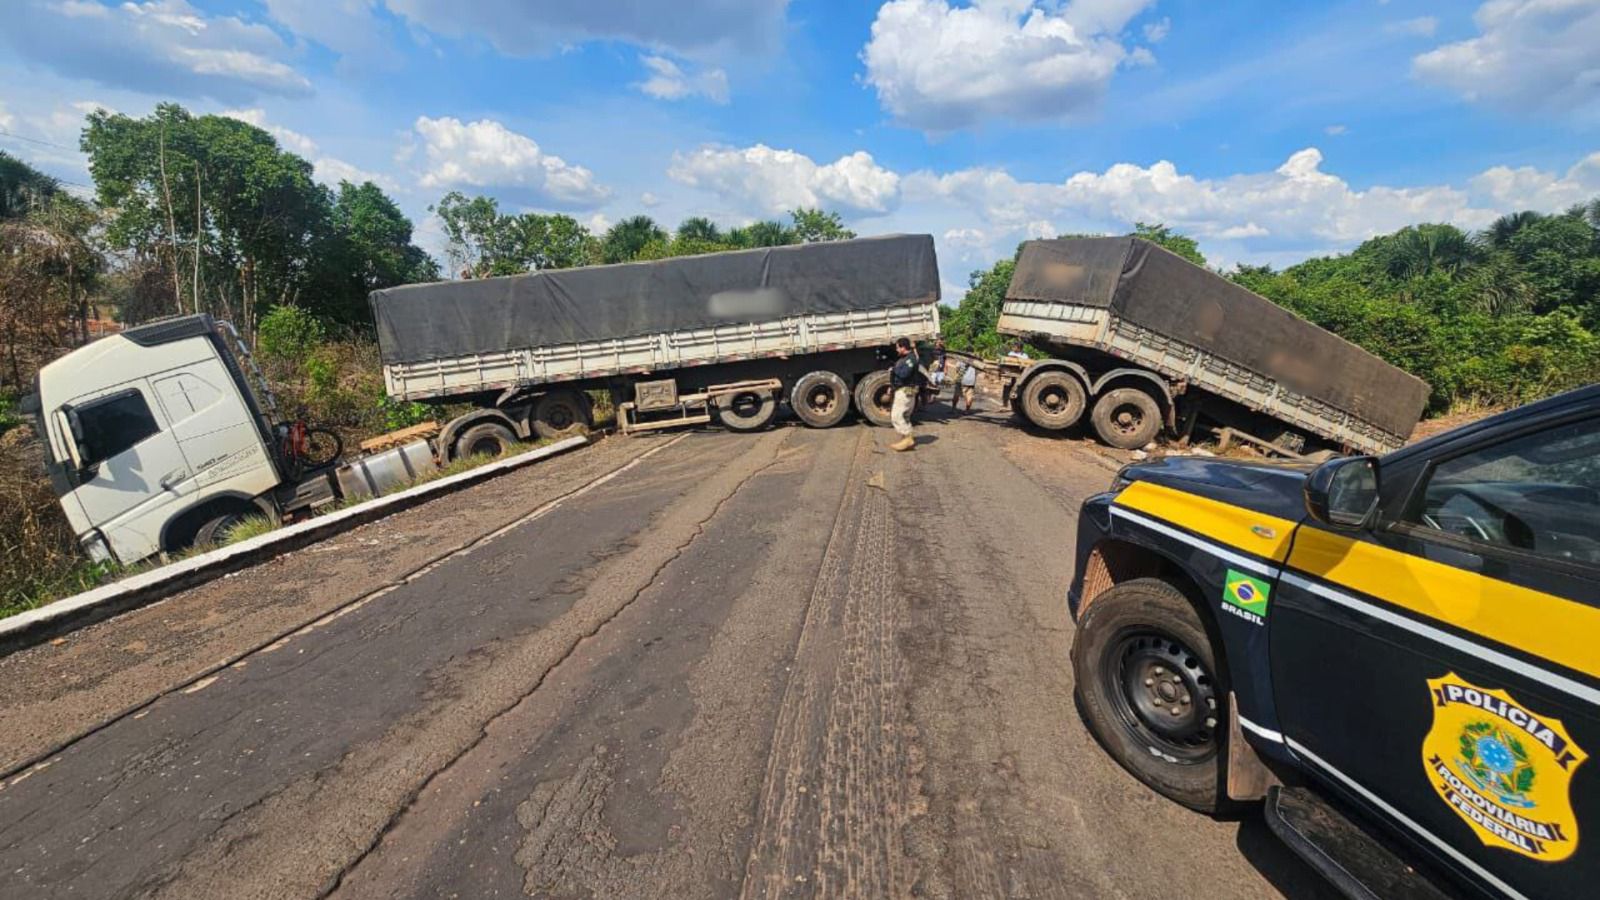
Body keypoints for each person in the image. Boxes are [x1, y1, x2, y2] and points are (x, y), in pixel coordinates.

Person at [889, 336, 926, 451]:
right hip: (903, 389)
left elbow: (904, 374)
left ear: (903, 347)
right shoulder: (906, 358)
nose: (896, 350)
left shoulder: (910, 359)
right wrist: (892, 387)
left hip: (906, 391)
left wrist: (893, 369)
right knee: (904, 416)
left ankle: (908, 438)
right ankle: (906, 439)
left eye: (897, 347)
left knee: (896, 416)